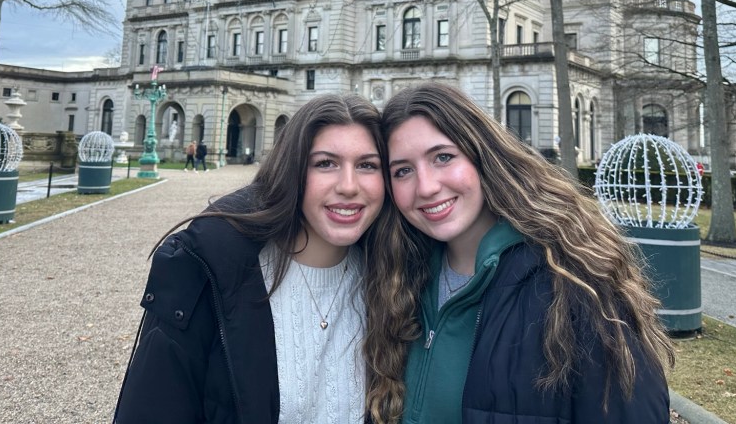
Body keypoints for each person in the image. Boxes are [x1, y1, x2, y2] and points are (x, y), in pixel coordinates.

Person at [365, 83, 674, 423]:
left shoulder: (574, 285)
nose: (426, 187)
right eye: (403, 171)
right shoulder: (397, 279)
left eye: (443, 157)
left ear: (482, 155)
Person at [114, 94, 396, 424]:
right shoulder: (208, 270)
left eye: (367, 165)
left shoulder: (396, 276)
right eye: (325, 163)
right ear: (292, 171)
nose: (348, 186)